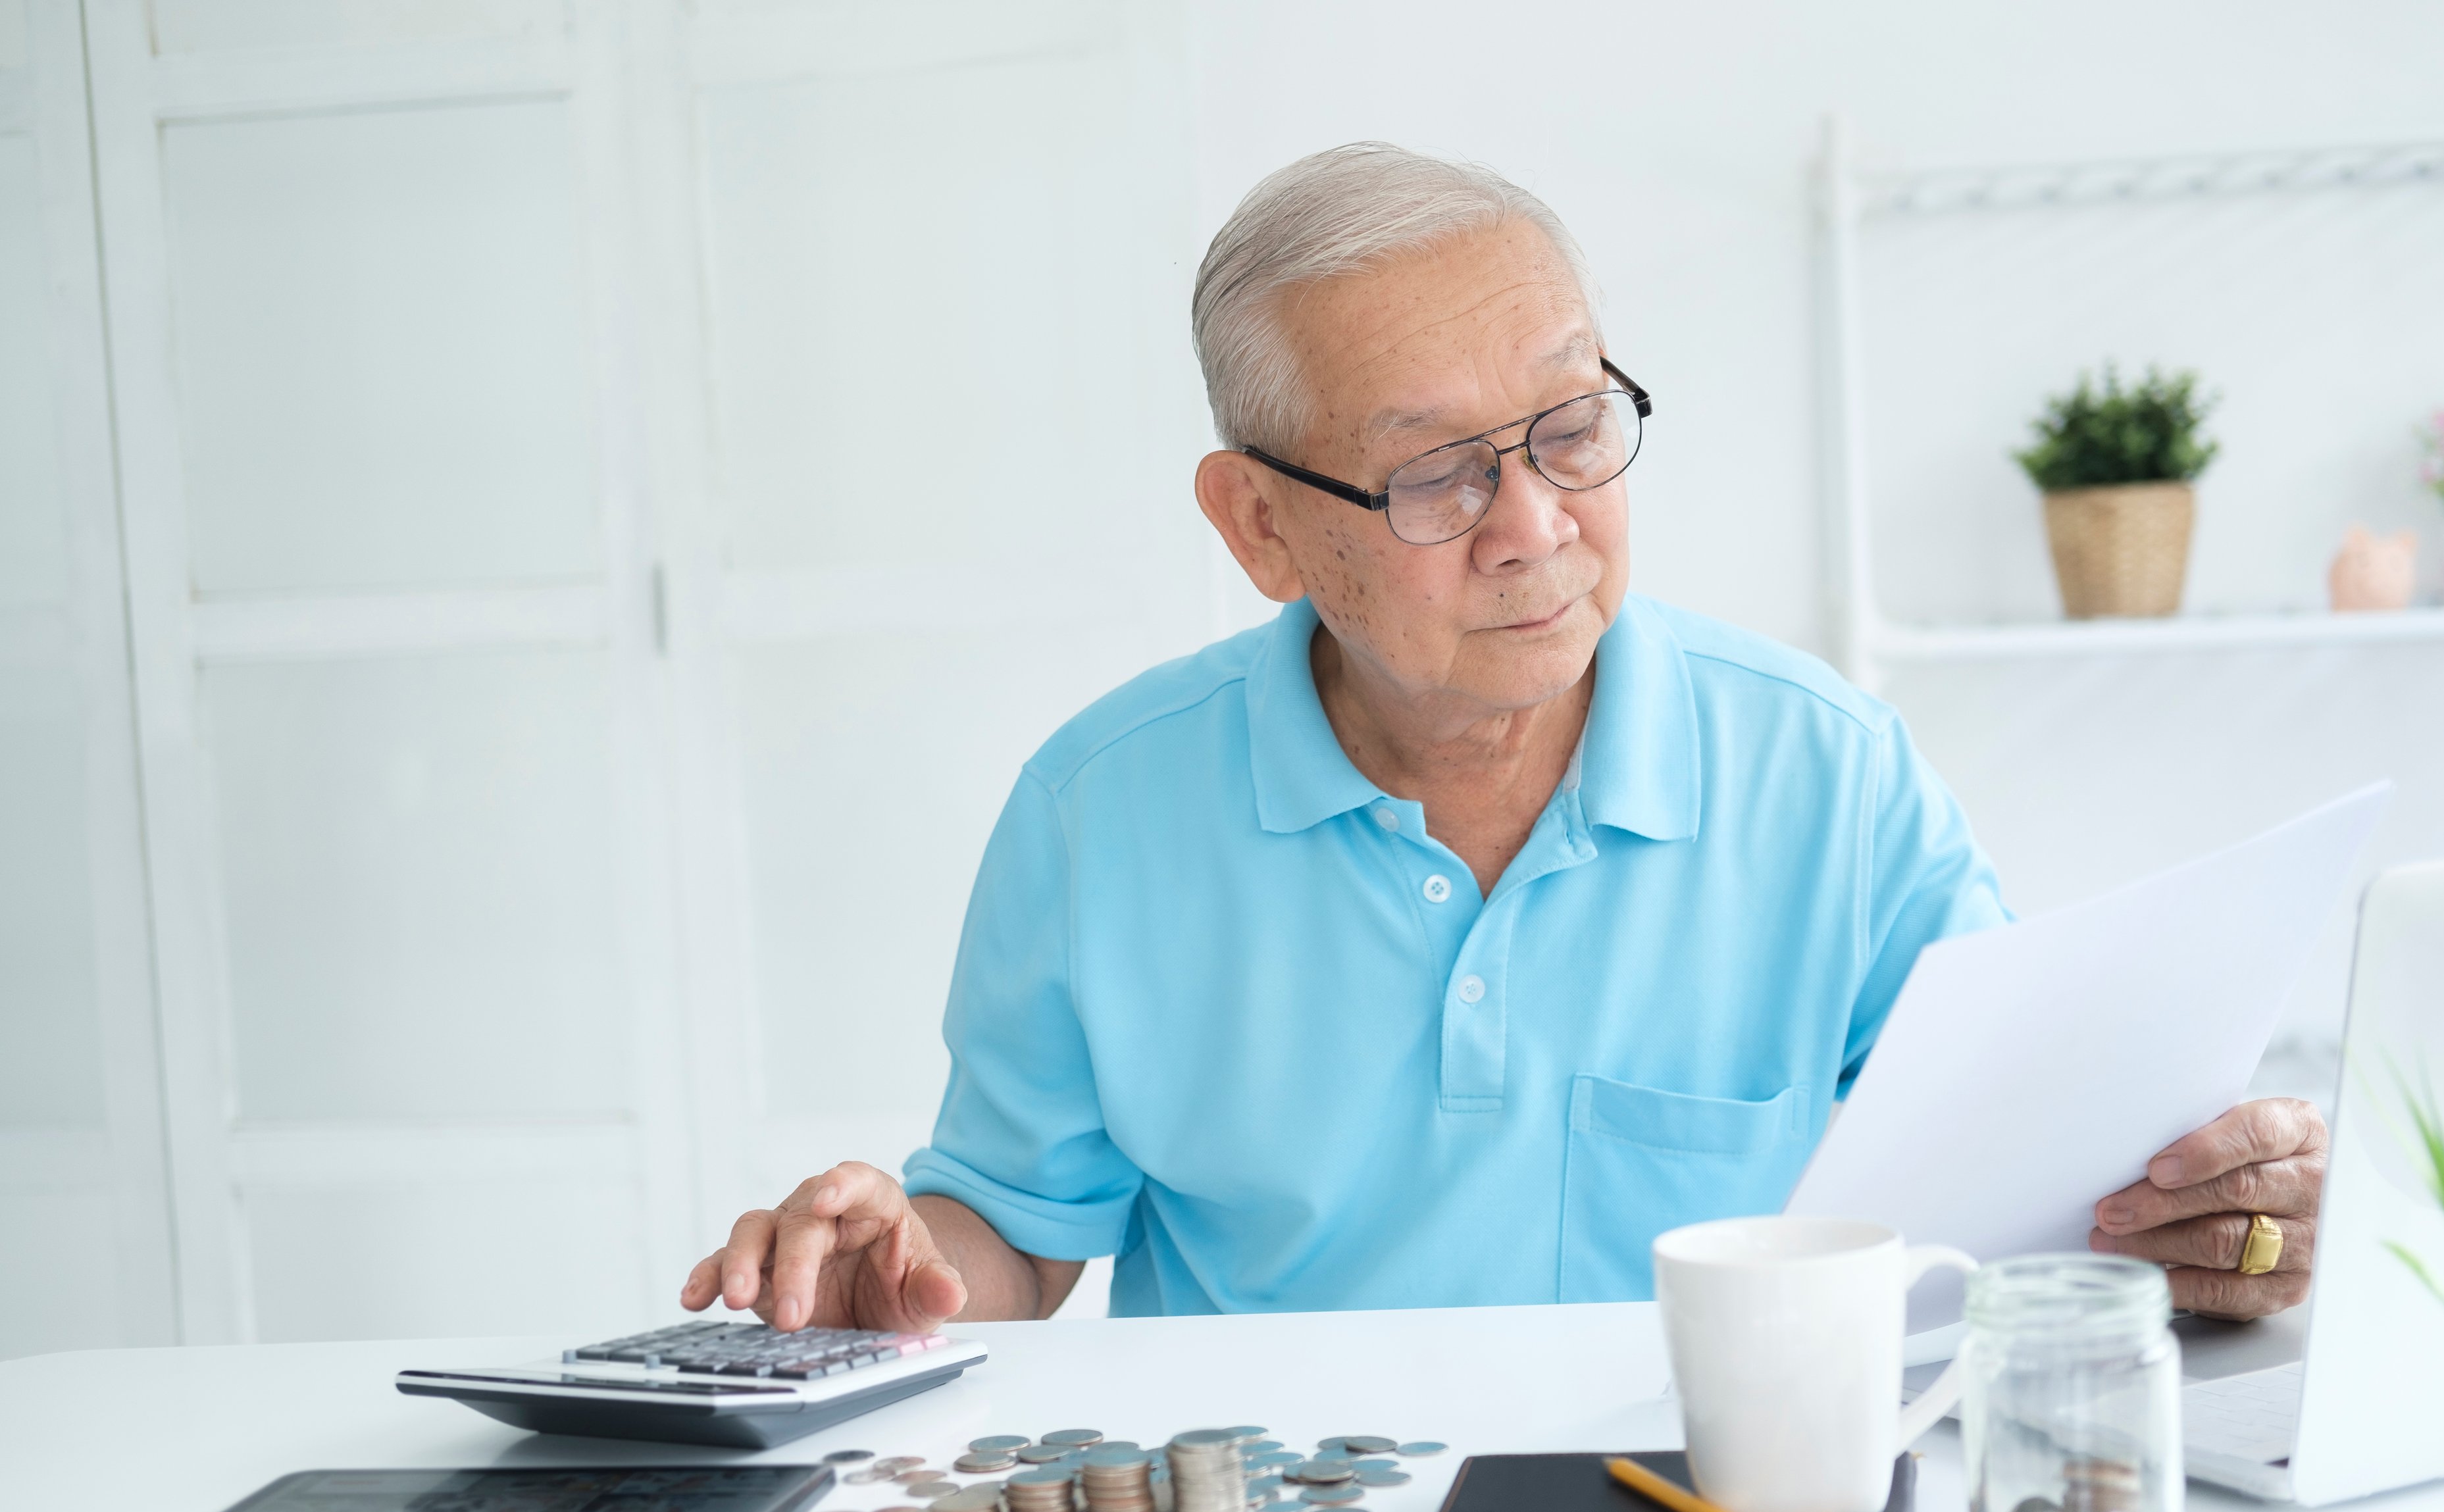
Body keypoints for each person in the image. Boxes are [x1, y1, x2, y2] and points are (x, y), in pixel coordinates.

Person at [681, 143, 2326, 1333]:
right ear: (1258, 524)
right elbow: (1017, 1233)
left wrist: (2205, 1221)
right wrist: (890, 1274)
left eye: (1570, 428)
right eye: (1434, 475)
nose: (1534, 525)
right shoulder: (1099, 812)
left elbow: (2019, 1192)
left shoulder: (1831, 777)